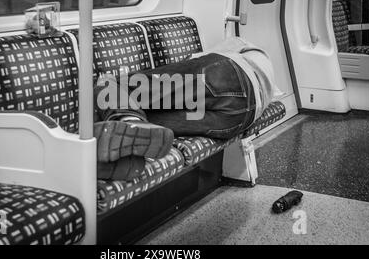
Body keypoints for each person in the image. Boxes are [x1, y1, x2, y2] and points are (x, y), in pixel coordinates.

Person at [94, 37, 282, 181]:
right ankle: (123, 146)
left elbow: (195, 59)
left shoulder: (239, 44)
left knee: (108, 85)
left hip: (229, 76)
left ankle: (127, 122)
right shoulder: (269, 80)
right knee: (147, 118)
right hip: (239, 118)